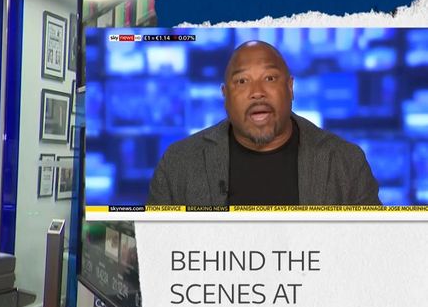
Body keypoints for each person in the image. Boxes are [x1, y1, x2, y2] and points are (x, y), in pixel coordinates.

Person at [146, 40, 381, 206]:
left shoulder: (346, 162)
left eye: (269, 78)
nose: (257, 92)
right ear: (225, 95)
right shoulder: (179, 163)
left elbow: (374, 251)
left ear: (290, 88)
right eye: (242, 81)